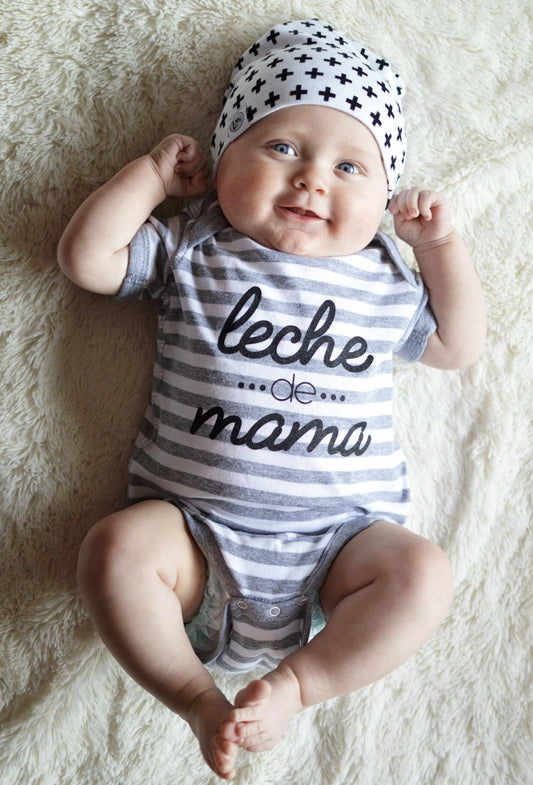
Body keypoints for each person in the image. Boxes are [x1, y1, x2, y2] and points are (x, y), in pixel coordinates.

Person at [58, 19, 485, 781]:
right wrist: (151, 177)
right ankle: (195, 698)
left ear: (383, 195)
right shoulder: (195, 244)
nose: (312, 180)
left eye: (349, 167)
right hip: (192, 539)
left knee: (422, 574)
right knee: (113, 548)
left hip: (339, 553)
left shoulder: (384, 274)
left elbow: (456, 346)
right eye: (282, 147)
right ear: (223, 158)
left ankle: (296, 685)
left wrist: (437, 247)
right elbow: (87, 259)